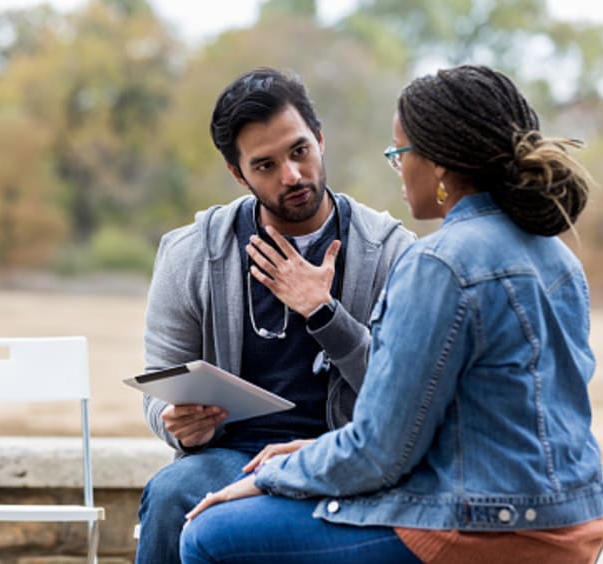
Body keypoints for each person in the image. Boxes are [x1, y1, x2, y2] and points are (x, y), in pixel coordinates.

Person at [180, 65, 603, 564]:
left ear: (441, 166)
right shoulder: (554, 254)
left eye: (399, 153)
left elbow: (380, 454)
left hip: (482, 532)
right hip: (571, 523)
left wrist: (270, 477)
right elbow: (472, 422)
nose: (399, 168)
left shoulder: (439, 265)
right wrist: (310, 453)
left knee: (209, 536)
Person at [134, 67, 415, 564]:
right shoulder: (190, 254)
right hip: (232, 459)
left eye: (300, 151)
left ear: (321, 139)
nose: (292, 175)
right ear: (238, 174)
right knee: (174, 491)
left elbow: (405, 396)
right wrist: (176, 423)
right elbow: (162, 387)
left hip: (343, 454)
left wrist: (324, 312)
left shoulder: (391, 252)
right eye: (265, 165)